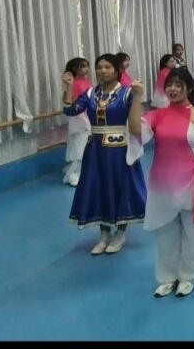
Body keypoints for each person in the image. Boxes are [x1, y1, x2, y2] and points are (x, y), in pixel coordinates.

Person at [128, 69, 194, 298]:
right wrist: (137, 97)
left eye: (178, 85)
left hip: (193, 181)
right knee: (165, 232)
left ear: (189, 88)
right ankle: (167, 277)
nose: (172, 89)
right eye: (169, 85)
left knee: (191, 232)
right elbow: (135, 130)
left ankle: (188, 276)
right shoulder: (157, 115)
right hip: (162, 182)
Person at [62, 54, 147, 255]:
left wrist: (138, 97)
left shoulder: (127, 93)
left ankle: (121, 232)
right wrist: (69, 87)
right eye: (99, 67)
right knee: (98, 188)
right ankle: (104, 234)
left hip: (120, 151)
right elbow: (71, 110)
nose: (102, 70)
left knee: (121, 188)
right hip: (95, 151)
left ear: (116, 70)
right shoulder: (91, 93)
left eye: (107, 67)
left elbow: (136, 124)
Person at [62, 57, 92, 187]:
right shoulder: (74, 84)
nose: (86, 69)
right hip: (79, 117)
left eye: (87, 66)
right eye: (83, 66)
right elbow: (71, 103)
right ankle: (73, 176)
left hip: (88, 116)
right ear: (75, 69)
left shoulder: (88, 82)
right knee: (80, 149)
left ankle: (79, 172)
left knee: (84, 147)